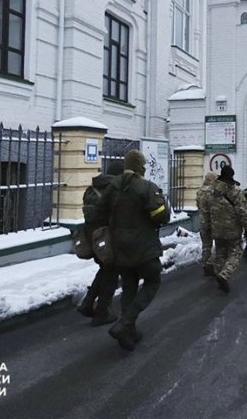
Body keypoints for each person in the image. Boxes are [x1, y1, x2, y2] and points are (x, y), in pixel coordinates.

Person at [94, 149, 170, 350]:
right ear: (141, 167)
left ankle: (129, 333)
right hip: (144, 248)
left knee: (129, 287)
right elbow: (160, 216)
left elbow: (99, 213)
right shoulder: (146, 187)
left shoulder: (112, 187)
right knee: (153, 281)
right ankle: (125, 322)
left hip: (120, 248)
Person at [78, 159, 124, 326]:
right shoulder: (114, 190)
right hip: (108, 238)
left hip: (93, 237)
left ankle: (88, 303)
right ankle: (102, 312)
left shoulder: (92, 189)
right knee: (111, 273)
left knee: (104, 270)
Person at [200, 165, 247, 293]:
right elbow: (242, 212)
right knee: (236, 252)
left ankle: (219, 274)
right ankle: (224, 274)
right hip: (233, 230)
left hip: (216, 229)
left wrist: (207, 226)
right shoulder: (236, 192)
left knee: (220, 253)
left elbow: (205, 210)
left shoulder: (211, 191)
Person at [196, 172, 217, 276]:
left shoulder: (200, 191)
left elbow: (198, 205)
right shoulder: (212, 191)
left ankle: (205, 265)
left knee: (206, 246)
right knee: (220, 244)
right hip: (213, 221)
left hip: (203, 222)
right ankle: (211, 264)